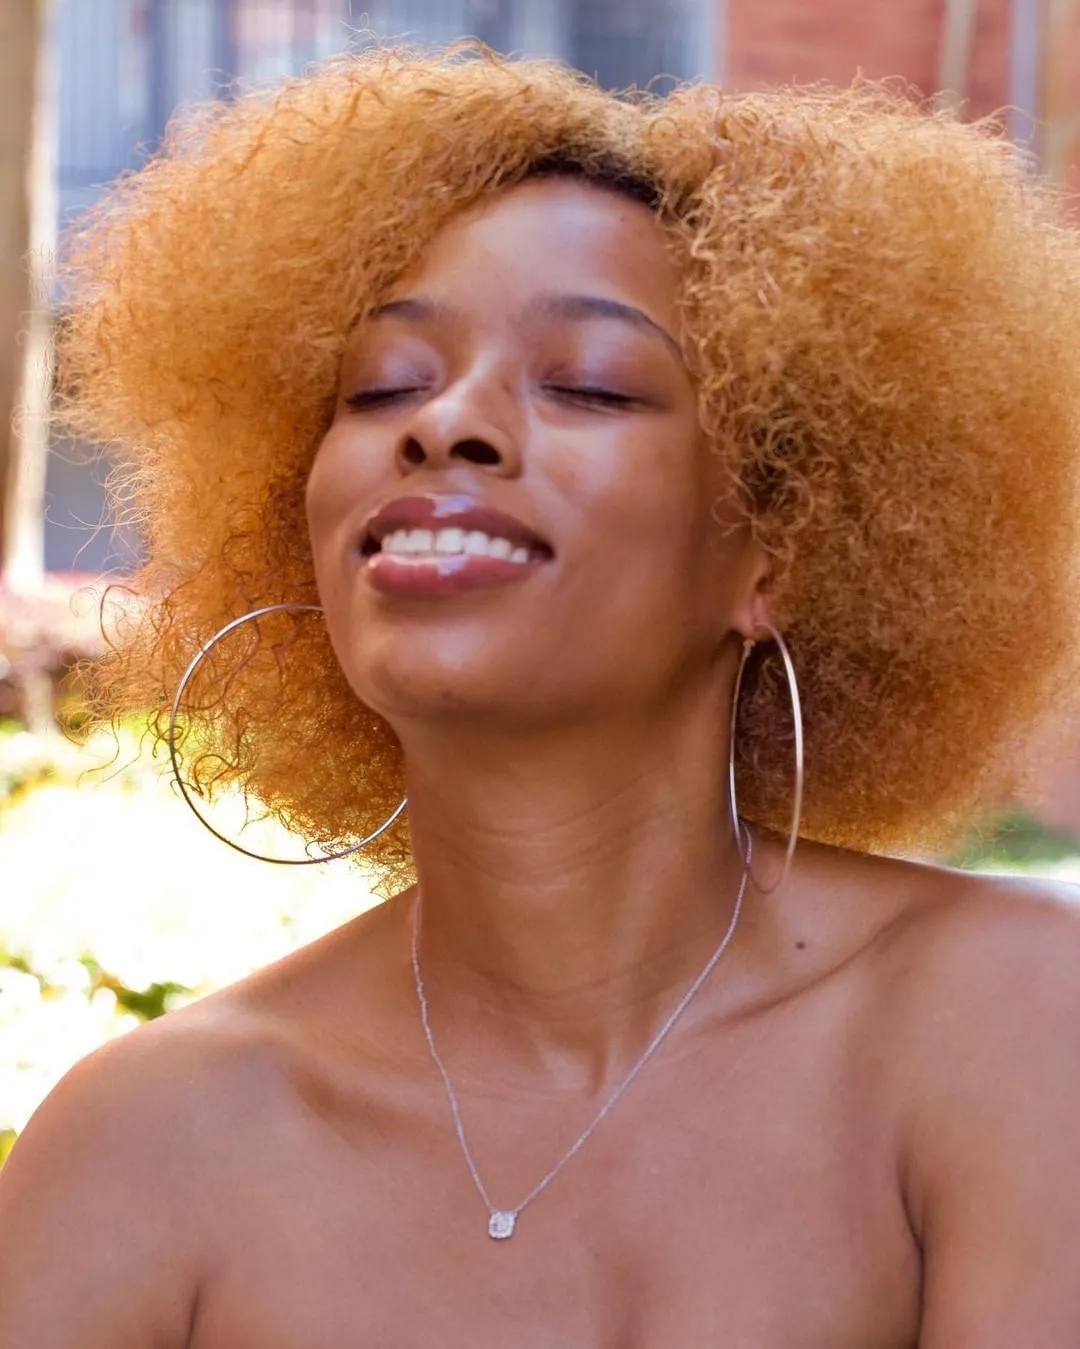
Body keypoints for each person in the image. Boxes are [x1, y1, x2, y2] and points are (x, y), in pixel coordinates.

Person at [2, 44, 1080, 1348]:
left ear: (776, 551)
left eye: (589, 383)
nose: (445, 422)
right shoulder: (141, 1147)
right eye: (381, 387)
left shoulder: (1016, 1020)